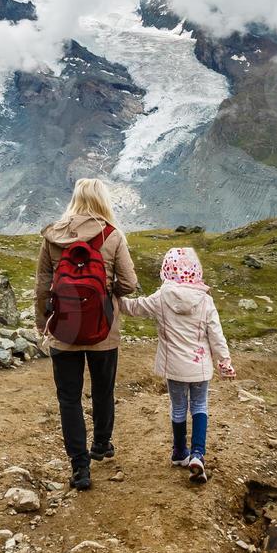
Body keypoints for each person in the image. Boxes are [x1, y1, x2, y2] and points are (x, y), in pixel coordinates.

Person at [35, 178, 139, 492]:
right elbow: (130, 283)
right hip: (104, 330)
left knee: (69, 399)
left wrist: (43, 324)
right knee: (103, 390)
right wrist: (110, 295)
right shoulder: (112, 234)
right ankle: (102, 445)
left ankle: (80, 468)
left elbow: (42, 287)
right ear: (102, 201)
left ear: (75, 199)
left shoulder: (53, 236)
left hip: (64, 331)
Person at [122, 248, 234, 485]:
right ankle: (198, 454)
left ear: (166, 270)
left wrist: (112, 297)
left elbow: (134, 308)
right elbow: (216, 334)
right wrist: (224, 361)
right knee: (200, 405)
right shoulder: (205, 300)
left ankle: (179, 452)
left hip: (174, 367)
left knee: (179, 406)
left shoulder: (161, 297)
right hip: (200, 366)